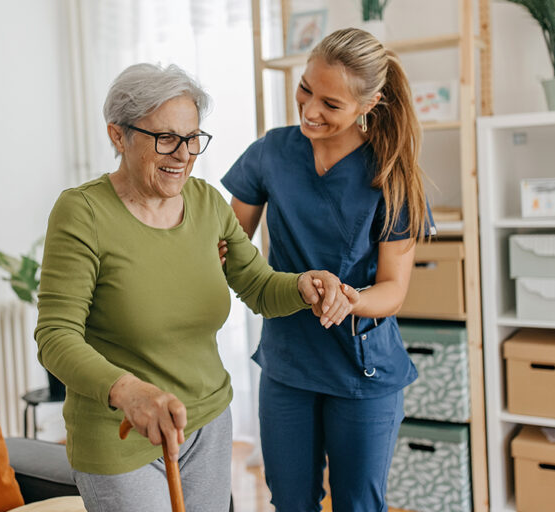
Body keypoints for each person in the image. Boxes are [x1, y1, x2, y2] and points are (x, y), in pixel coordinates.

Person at [35, 62, 354, 512]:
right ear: (117, 135)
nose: (183, 154)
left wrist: (304, 285)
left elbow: (258, 286)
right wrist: (129, 392)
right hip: (122, 430)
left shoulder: (206, 202)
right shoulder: (82, 213)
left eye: (192, 139)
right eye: (165, 138)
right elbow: (55, 337)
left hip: (207, 421)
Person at [220, 28, 434, 512]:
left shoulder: (391, 173)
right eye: (305, 89)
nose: (310, 110)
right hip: (288, 364)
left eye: (331, 104)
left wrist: (351, 298)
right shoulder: (271, 153)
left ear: (369, 103)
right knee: (291, 503)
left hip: (363, 370)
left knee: (358, 505)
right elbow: (229, 246)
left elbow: (392, 290)